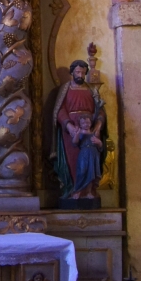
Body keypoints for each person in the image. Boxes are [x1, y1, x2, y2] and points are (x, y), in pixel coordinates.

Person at [51, 58, 106, 199]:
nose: (80, 75)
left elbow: (100, 111)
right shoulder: (66, 89)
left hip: (89, 130)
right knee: (74, 162)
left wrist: (98, 127)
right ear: (72, 72)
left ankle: (88, 191)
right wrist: (69, 125)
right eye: (77, 72)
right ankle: (74, 190)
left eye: (83, 72)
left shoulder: (91, 90)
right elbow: (60, 110)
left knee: (89, 162)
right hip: (71, 132)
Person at [70, 113, 103, 198]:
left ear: (91, 123)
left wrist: (99, 143)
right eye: (83, 123)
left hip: (93, 155)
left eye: (88, 123)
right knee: (82, 172)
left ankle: (89, 192)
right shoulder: (79, 133)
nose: (86, 125)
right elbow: (74, 143)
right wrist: (77, 134)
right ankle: (78, 191)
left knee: (91, 174)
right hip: (84, 155)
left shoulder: (94, 133)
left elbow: (100, 147)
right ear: (80, 124)